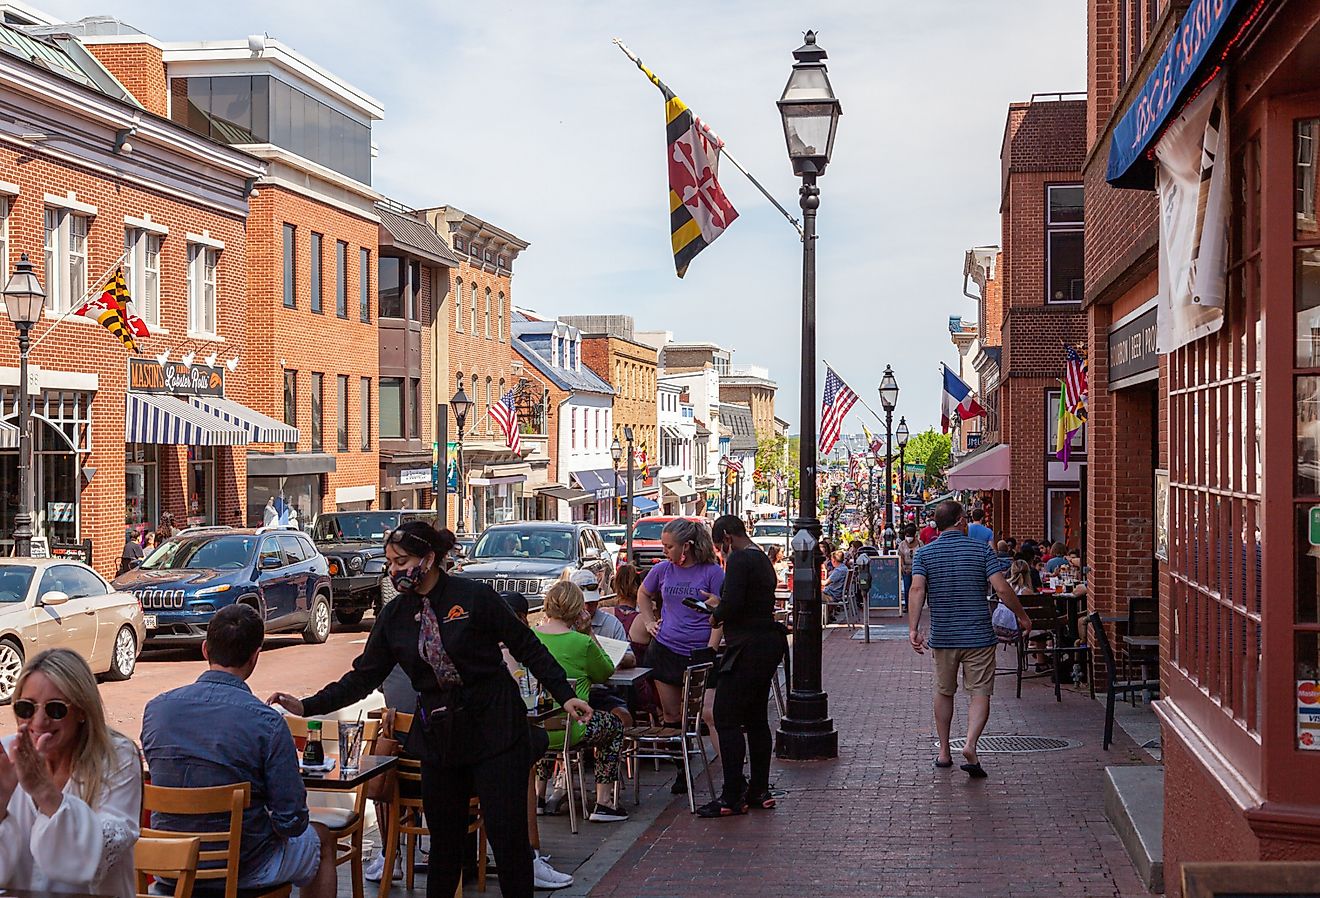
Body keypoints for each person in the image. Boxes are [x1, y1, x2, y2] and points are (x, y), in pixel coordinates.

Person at [267, 523, 590, 898]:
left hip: (496, 728)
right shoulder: (394, 616)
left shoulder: (474, 597)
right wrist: (307, 705)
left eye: (402, 561)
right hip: (441, 737)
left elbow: (527, 646)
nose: (394, 570)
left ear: (430, 558)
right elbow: (362, 677)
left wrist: (565, 695)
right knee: (445, 846)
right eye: (389, 563)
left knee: (508, 841)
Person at [143, 605, 336, 898]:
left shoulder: (156, 709)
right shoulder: (268, 722)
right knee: (322, 839)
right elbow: (293, 820)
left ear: (206, 649)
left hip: (169, 866)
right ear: (255, 656)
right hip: (244, 869)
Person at [0, 648, 141, 898]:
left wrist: (45, 794)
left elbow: (96, 857)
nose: (39, 722)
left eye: (55, 709)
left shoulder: (116, 757)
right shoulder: (8, 755)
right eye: (26, 708)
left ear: (81, 711)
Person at [907, 500, 1031, 780]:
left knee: (944, 690)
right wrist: (1022, 616)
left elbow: (917, 588)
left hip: (944, 636)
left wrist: (913, 628)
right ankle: (971, 743)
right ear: (962, 521)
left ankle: (943, 752)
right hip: (978, 635)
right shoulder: (980, 551)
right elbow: (1001, 587)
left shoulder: (924, 554)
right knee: (980, 693)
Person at [698, 516, 788, 817]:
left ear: (726, 536)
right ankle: (759, 788)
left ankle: (732, 794)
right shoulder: (761, 558)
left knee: (725, 716)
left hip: (746, 646)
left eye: (719, 545)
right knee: (756, 717)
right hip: (766, 644)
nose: (720, 551)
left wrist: (715, 612)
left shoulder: (738, 559)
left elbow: (733, 604)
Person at [630, 518, 724, 793]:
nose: (664, 551)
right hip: (667, 649)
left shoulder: (712, 572)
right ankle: (683, 770)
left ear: (687, 546)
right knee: (672, 716)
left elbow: (721, 615)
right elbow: (643, 594)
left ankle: (731, 772)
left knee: (709, 712)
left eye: (669, 546)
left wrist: (712, 649)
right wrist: (649, 622)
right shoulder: (662, 570)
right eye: (664, 545)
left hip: (700, 651)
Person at [533, 581, 628, 823]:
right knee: (614, 726)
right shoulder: (582, 642)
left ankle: (538, 796)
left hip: (535, 726)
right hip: (574, 726)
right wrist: (588, 632)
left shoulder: (531, 638)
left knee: (546, 724)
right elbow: (606, 672)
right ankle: (603, 802)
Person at [498, 593, 573, 891]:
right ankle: (530, 856)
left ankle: (391, 853)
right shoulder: (504, 648)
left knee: (529, 745)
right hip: (478, 760)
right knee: (525, 752)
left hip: (425, 764)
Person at [569, 569, 634, 727]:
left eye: (592, 603)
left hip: (602, 691)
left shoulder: (611, 623)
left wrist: (617, 658)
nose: (587, 607)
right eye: (583, 603)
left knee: (624, 719)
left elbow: (631, 658)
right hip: (570, 693)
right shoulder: (563, 624)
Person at [896, 525, 919, 609]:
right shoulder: (902, 544)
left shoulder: (920, 544)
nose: (909, 538)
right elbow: (900, 557)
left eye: (910, 536)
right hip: (906, 569)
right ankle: (907, 605)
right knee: (907, 587)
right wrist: (903, 567)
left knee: (917, 588)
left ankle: (916, 605)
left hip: (917, 569)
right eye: (907, 535)